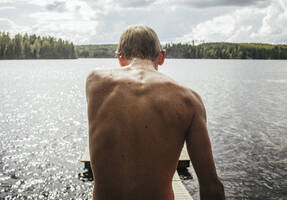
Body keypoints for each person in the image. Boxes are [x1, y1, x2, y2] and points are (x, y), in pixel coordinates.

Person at [86, 25, 225, 200]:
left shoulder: (95, 81)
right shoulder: (189, 100)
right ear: (161, 57)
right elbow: (211, 187)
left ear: (120, 58)